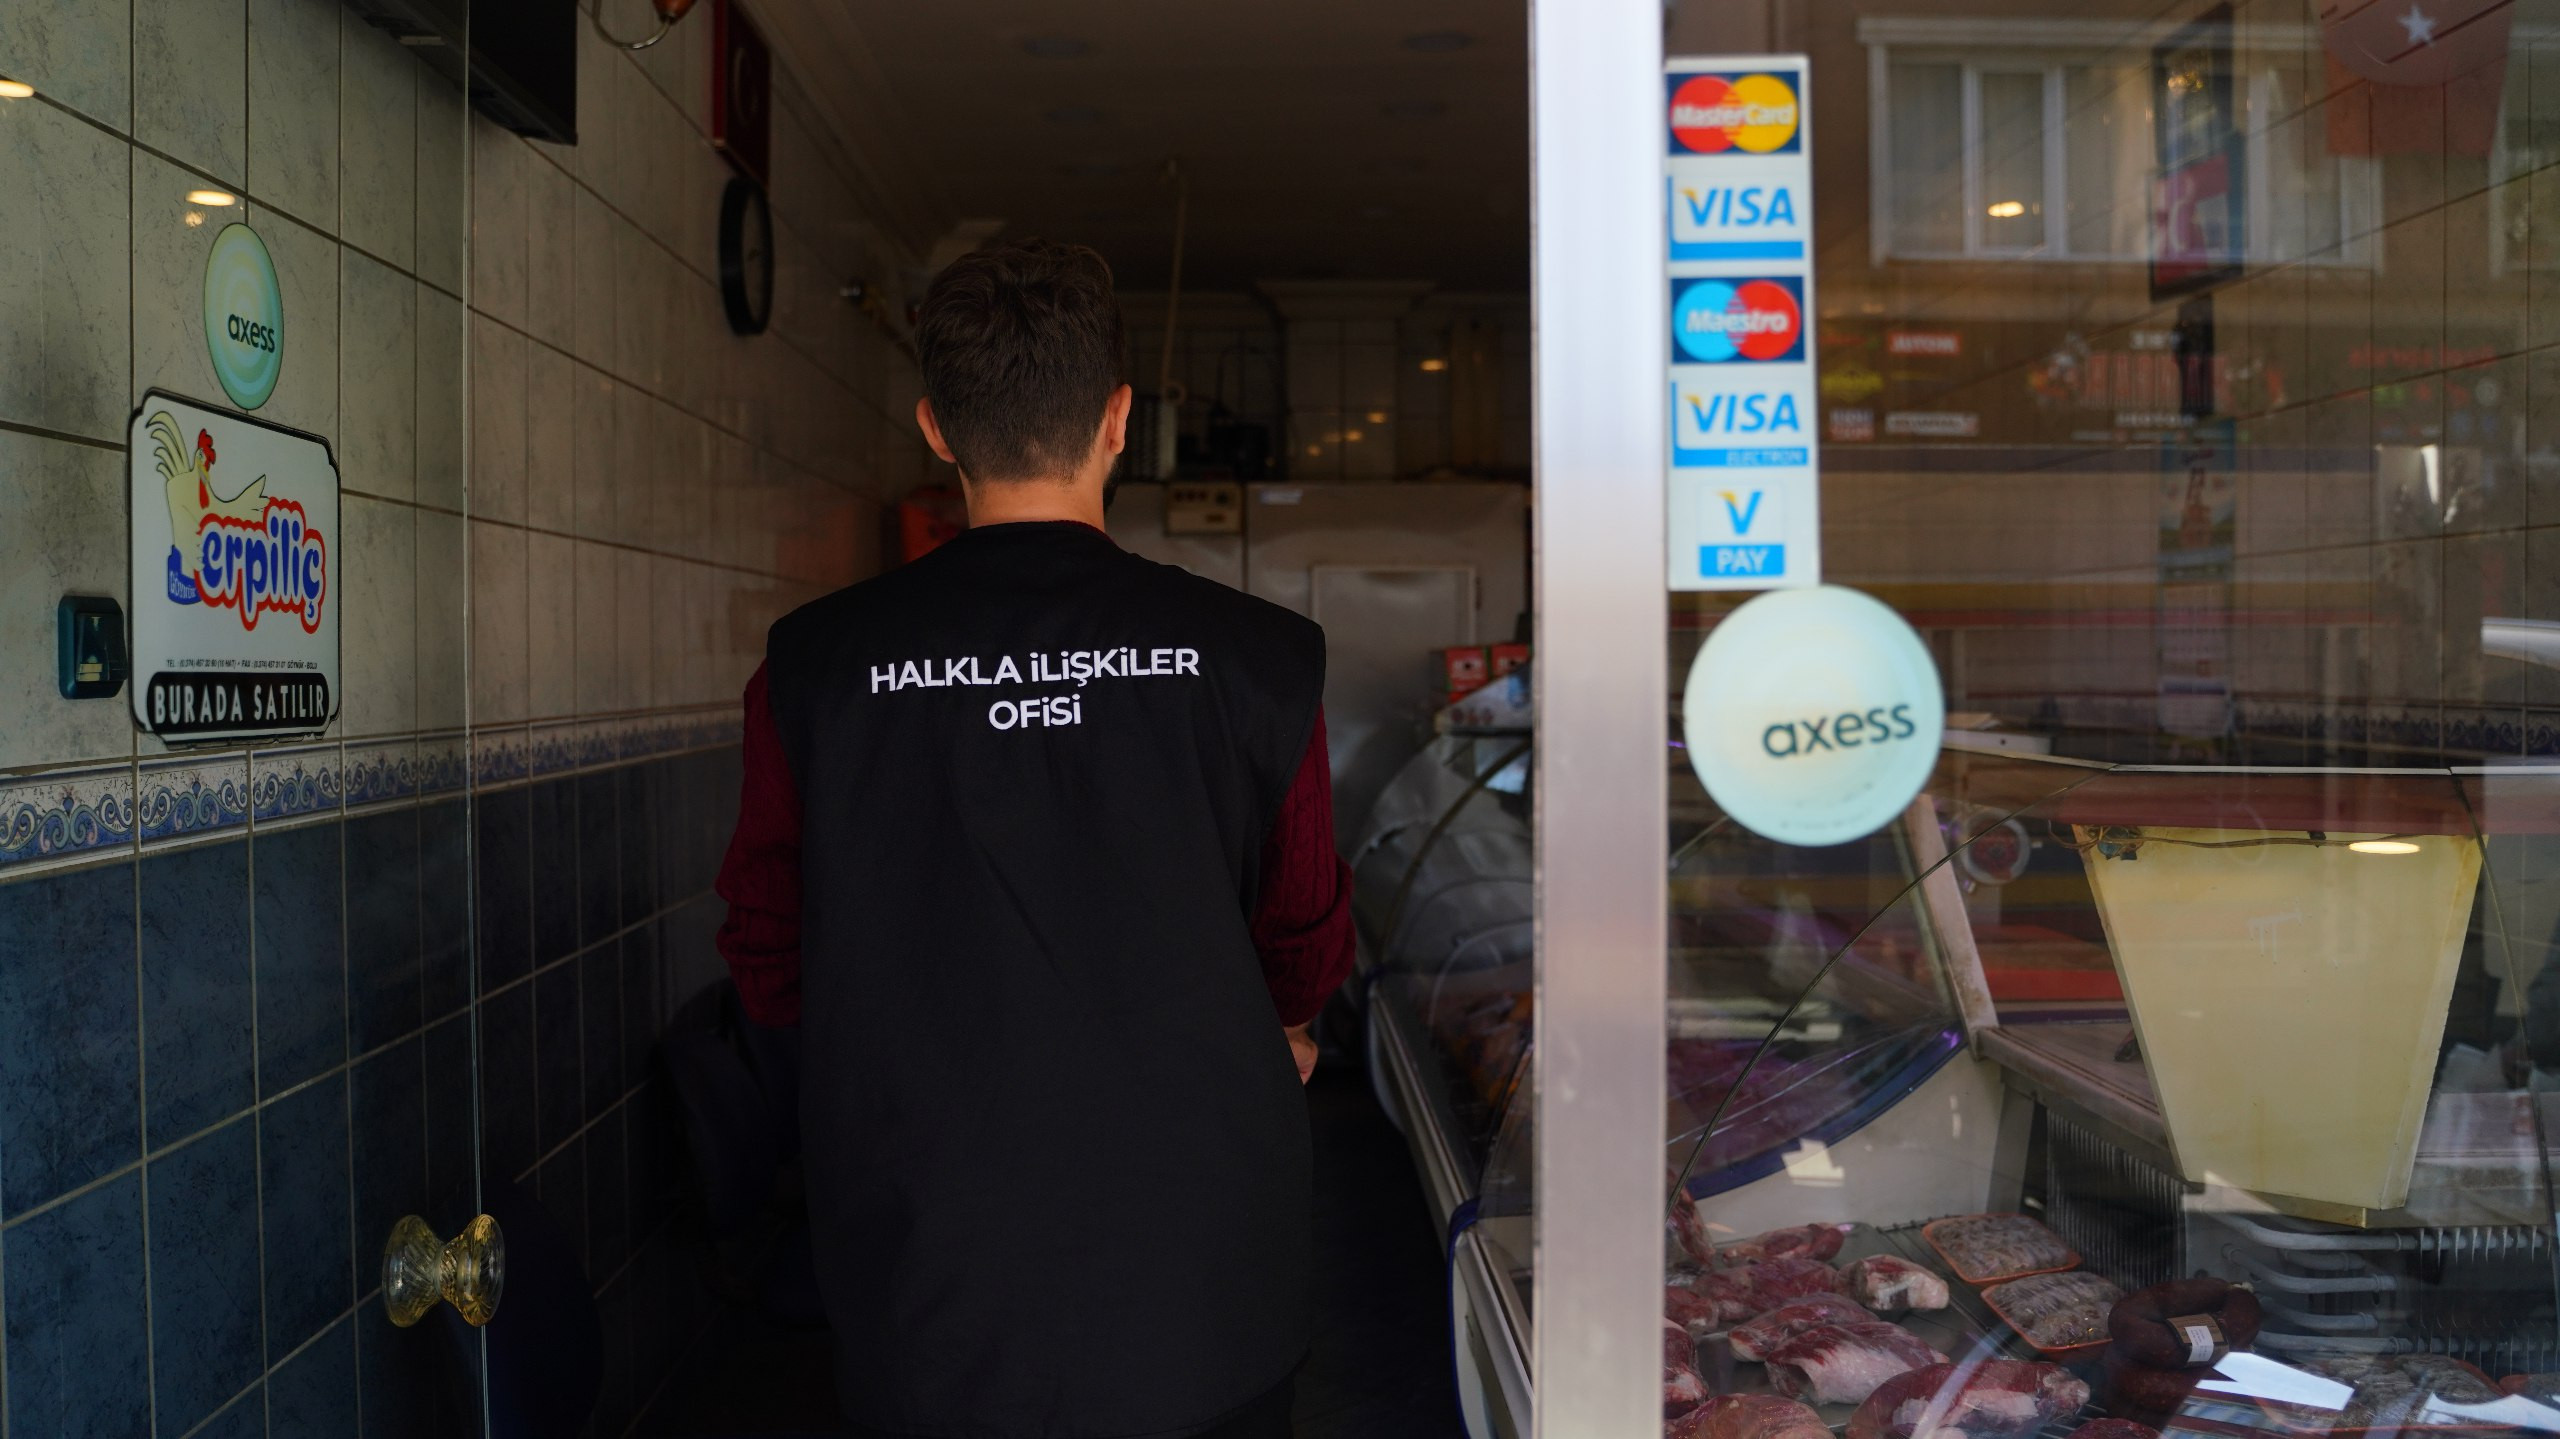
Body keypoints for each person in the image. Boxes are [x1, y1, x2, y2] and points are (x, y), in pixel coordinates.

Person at [714, 238, 1355, 1439]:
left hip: (928, 1229)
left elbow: (766, 943)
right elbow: (1305, 930)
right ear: (1118, 419)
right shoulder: (1261, 656)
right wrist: (1283, 1024)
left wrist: (877, 1056)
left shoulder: (813, 666)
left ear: (935, 428)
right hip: (1199, 1237)